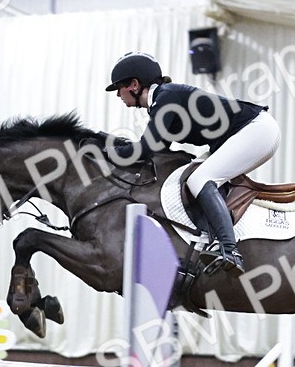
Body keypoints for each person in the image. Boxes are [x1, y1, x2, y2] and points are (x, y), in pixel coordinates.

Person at [104, 52, 280, 273]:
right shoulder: (163, 99)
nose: (118, 94)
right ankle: (211, 240)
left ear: (134, 85)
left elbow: (146, 148)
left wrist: (107, 151)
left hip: (256, 130)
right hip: (245, 132)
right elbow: (158, 149)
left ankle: (229, 249)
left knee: (200, 179)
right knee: (189, 176)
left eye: (118, 88)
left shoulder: (166, 97)